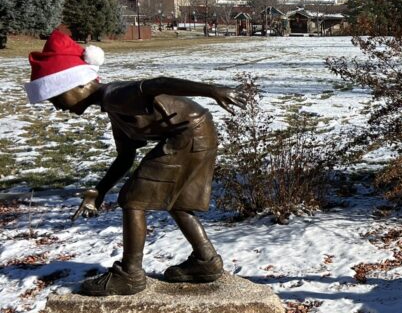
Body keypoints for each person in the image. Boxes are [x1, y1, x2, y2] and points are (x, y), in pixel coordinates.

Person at [24, 30, 243, 296]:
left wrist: (211, 90)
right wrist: (100, 191)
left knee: (133, 199)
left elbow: (158, 83)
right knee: (177, 202)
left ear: (78, 85)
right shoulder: (115, 110)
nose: (58, 107)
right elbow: (125, 157)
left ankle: (130, 274)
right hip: (197, 131)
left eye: (57, 97)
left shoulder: (116, 95)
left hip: (188, 134)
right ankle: (206, 262)